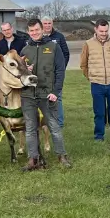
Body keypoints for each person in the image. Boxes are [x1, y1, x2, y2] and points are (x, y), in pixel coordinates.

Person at [21, 18, 71, 170]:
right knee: (30, 129)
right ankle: (33, 159)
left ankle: (62, 156)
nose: (34, 33)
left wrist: (55, 91)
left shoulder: (54, 47)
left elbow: (60, 71)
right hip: (28, 95)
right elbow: (18, 75)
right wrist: (25, 71)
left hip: (47, 95)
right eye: (31, 31)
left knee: (54, 126)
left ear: (42, 29)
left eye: (37, 30)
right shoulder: (25, 50)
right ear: (28, 32)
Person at [80, 19, 110, 145]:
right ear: (95, 29)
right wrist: (91, 76)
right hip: (97, 84)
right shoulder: (88, 44)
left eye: (106, 31)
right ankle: (99, 136)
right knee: (99, 112)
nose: (104, 33)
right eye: (101, 31)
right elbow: (83, 64)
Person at [41, 16, 71, 127]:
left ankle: (59, 122)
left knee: (57, 98)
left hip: (56, 74)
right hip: (42, 74)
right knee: (42, 98)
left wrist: (61, 68)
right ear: (41, 24)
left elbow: (66, 54)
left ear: (52, 24)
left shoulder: (59, 37)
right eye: (45, 23)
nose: (47, 25)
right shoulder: (38, 37)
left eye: (49, 23)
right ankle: (45, 122)